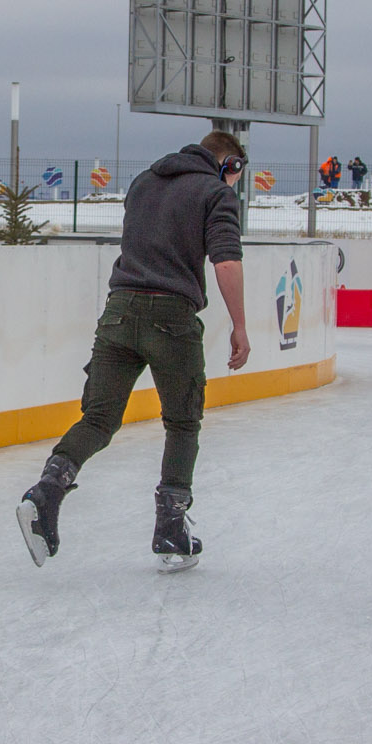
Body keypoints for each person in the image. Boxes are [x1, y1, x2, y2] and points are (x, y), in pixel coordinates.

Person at [16, 129, 248, 572]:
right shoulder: (216, 192)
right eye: (236, 176)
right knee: (183, 422)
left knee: (99, 419)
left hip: (119, 313)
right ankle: (171, 532)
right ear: (229, 165)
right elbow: (227, 261)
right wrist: (240, 325)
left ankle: (46, 490)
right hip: (172, 318)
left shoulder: (144, 182)